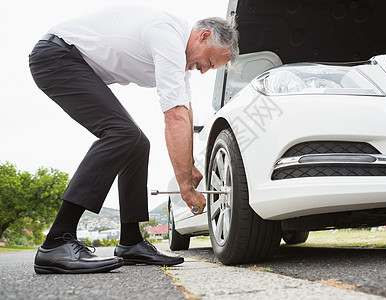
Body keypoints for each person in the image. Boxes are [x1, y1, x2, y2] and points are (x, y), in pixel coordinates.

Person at [28, 4, 239, 274]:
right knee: (122, 134)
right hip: (57, 56)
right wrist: (185, 187)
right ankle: (56, 241)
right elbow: (173, 118)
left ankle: (130, 241)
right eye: (209, 62)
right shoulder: (167, 34)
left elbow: (185, 113)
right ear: (204, 36)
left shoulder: (180, 60)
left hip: (73, 62)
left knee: (137, 143)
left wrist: (189, 167)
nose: (204, 71)